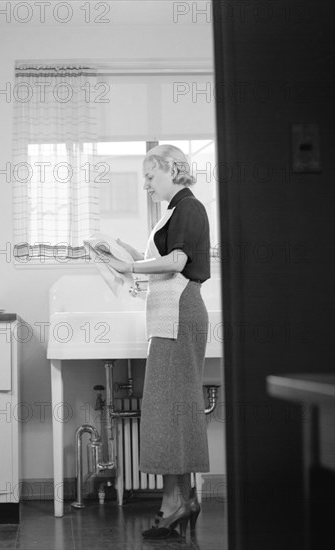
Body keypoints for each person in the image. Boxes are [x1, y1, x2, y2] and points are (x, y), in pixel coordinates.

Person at [104, 144, 210, 540]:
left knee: (172, 409)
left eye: (150, 175)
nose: (146, 184)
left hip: (180, 316)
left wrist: (130, 264)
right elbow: (166, 260)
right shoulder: (174, 211)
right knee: (170, 410)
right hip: (171, 318)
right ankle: (179, 500)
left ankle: (176, 501)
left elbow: (179, 262)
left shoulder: (189, 208)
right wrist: (128, 256)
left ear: (171, 169)